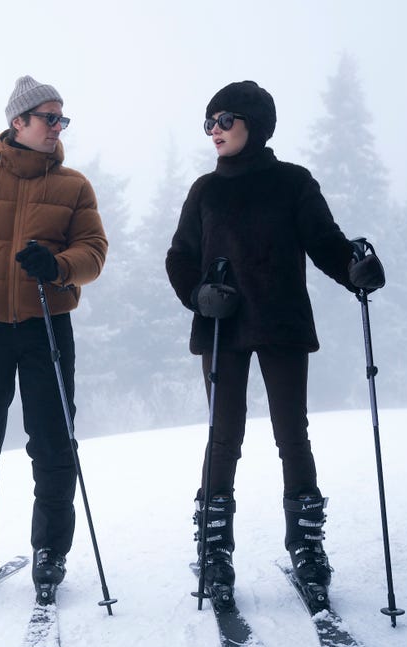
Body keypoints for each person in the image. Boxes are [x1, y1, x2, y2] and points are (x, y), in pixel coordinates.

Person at [165, 80, 385, 608]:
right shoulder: (204, 191)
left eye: (225, 119)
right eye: (208, 121)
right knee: (224, 437)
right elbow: (179, 258)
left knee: (292, 433)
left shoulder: (292, 183)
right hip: (221, 325)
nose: (214, 130)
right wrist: (198, 294)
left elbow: (326, 243)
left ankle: (306, 546)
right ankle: (215, 549)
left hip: (280, 322)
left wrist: (356, 270)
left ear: (254, 125)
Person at [0, 75, 108, 604]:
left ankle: (50, 551)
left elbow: (93, 251)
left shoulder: (74, 186)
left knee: (52, 441)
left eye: (61, 119)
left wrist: (57, 266)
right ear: (18, 122)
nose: (57, 126)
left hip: (46, 326)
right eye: (48, 117)